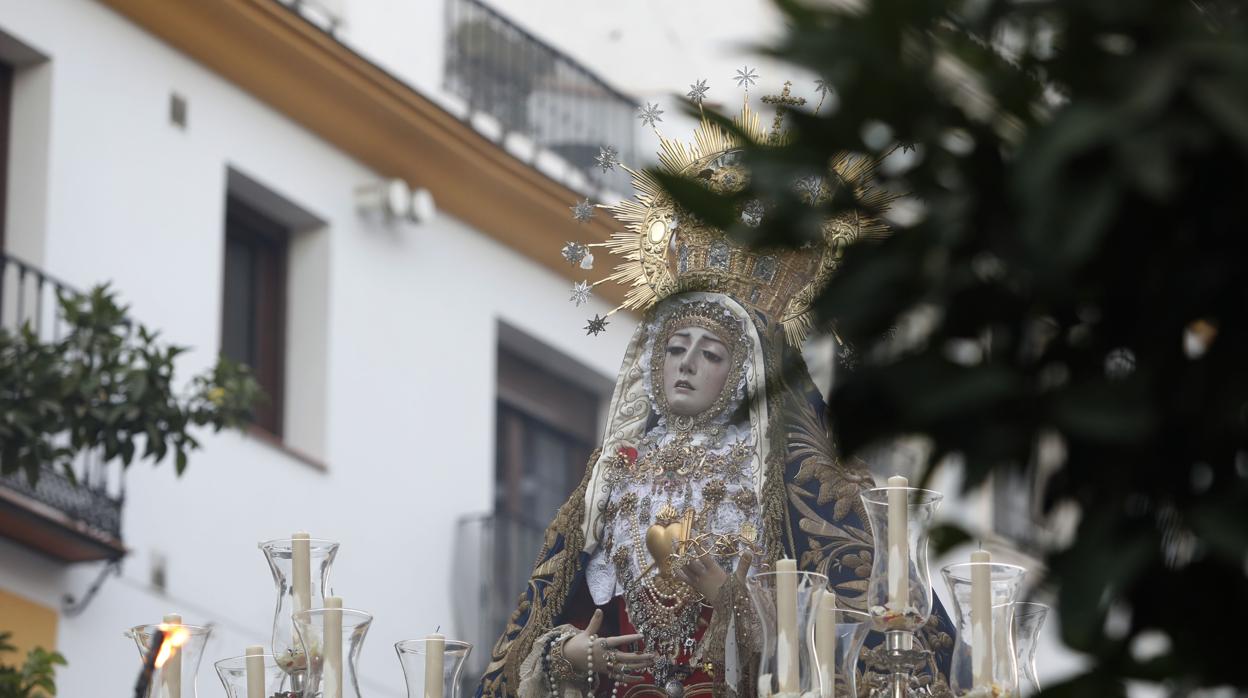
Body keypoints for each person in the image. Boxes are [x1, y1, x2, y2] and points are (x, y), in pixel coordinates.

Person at [477, 106, 953, 698]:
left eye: (711, 353)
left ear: (745, 371)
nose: (687, 363)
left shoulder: (803, 475)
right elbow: (551, 621)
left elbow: (858, 636)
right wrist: (570, 652)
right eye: (675, 347)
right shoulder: (615, 476)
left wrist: (737, 605)